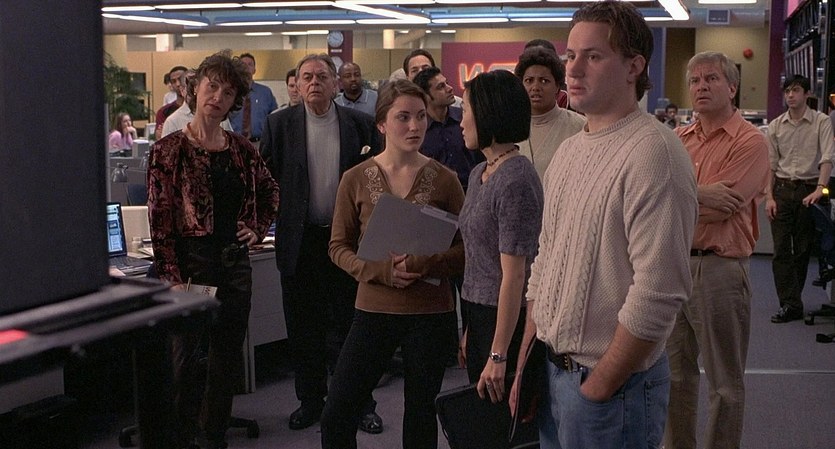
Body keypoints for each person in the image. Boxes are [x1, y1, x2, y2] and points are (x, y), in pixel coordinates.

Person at [508, 2, 698, 448]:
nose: (573, 69)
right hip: (551, 374)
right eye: (571, 55)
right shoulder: (571, 150)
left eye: (593, 56)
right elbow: (545, 264)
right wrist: (526, 362)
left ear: (634, 67)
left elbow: (659, 291)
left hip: (610, 390)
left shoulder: (654, 153)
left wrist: (598, 387)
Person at [320, 78, 465, 449]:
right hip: (374, 310)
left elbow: (466, 251)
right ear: (382, 124)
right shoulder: (355, 178)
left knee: (420, 414)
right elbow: (338, 247)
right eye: (403, 117)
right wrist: (379, 271)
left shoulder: (446, 180)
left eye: (421, 116)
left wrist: (425, 263)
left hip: (430, 314)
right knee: (337, 412)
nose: (415, 126)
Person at [147, 50, 280, 449]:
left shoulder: (241, 149)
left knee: (226, 360)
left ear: (235, 101)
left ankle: (213, 436)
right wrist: (171, 276)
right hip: (191, 265)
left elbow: (271, 191)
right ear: (196, 88)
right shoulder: (169, 150)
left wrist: (256, 228)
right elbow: (160, 220)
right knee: (184, 362)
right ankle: (179, 438)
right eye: (212, 86)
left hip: (234, 265)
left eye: (228, 92)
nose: (218, 96)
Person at [260, 53, 383, 434]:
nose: (314, 83)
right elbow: (265, 182)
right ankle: (311, 401)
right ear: (296, 84)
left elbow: (379, 177)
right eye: (306, 77)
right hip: (300, 242)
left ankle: (361, 404)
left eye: (321, 77)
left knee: (353, 328)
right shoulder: (279, 125)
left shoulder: (360, 124)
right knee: (304, 329)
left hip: (347, 241)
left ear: (335, 84)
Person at [663, 51, 769, 449]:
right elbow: (655, 199)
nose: (701, 86)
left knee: (724, 384)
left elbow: (727, 205)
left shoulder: (751, 142)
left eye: (711, 79)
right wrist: (703, 195)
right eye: (695, 80)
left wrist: (681, 198)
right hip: (674, 266)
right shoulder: (678, 139)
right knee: (674, 376)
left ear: (732, 87)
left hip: (720, 270)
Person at [457, 70, 543, 400]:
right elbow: (481, 259)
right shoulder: (480, 171)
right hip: (479, 313)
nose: (461, 122)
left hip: (507, 319)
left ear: (488, 113)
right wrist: (471, 328)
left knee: (499, 416)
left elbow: (515, 276)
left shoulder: (516, 179)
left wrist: (498, 352)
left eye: (465, 110)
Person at [766, 74, 835, 323]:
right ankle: (790, 304)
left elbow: (827, 157)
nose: (790, 95)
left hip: (809, 190)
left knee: (803, 250)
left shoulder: (821, 121)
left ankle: (791, 303)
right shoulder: (776, 125)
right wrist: (768, 197)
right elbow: (771, 166)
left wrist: (820, 188)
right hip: (783, 190)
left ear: (807, 94)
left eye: (795, 90)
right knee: (781, 250)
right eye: (787, 91)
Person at [514, 47, 585, 179]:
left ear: (557, 86)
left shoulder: (580, 127)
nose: (535, 87)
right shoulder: (509, 128)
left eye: (544, 81)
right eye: (529, 80)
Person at [413, 66, 484, 191]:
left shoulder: (466, 118)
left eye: (447, 83)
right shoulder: (417, 129)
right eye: (441, 87)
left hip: (471, 191)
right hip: (434, 195)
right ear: (426, 96)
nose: (450, 88)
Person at [161, 69, 233, 138]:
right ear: (182, 90)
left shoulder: (217, 114)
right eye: (190, 86)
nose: (193, 90)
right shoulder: (172, 121)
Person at [228, 53, 278, 144]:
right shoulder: (231, 92)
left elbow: (275, 117)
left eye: (250, 64)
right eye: (243, 65)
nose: (246, 67)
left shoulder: (265, 92)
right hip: (235, 143)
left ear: (254, 70)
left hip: (260, 142)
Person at [155, 65, 188, 140]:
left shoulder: (201, 108)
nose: (178, 84)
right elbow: (161, 138)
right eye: (174, 81)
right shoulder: (163, 112)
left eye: (181, 79)